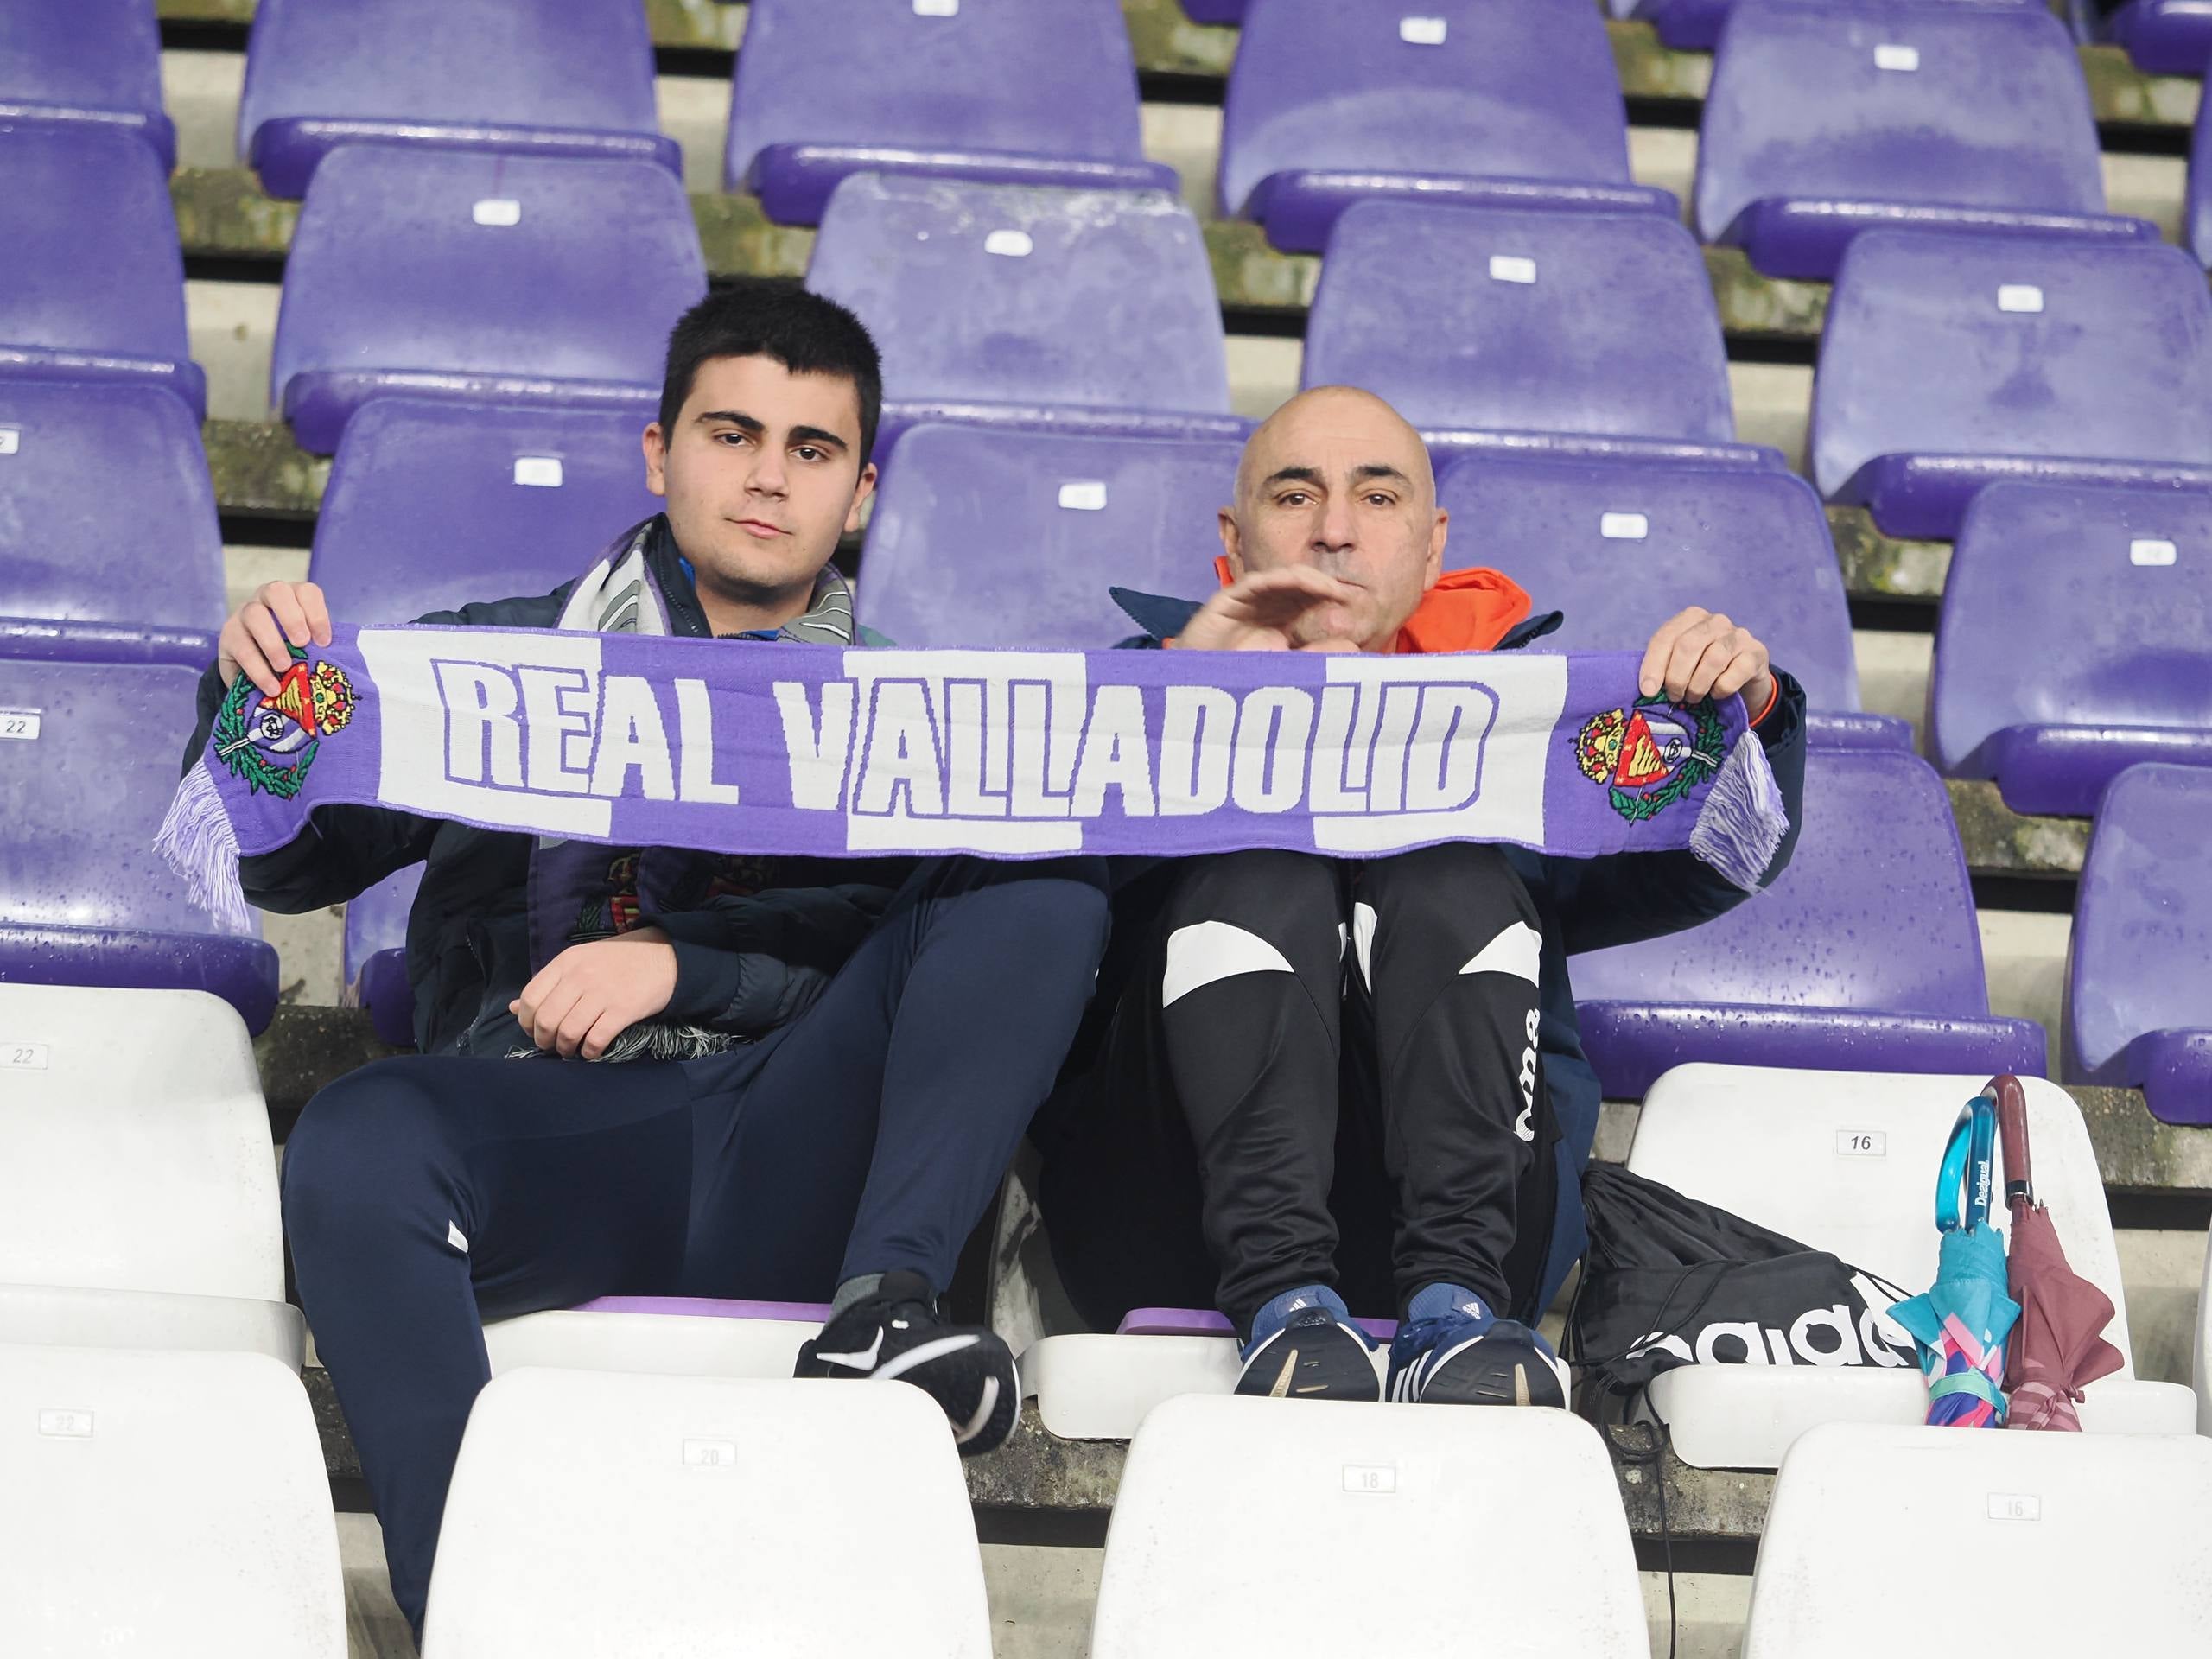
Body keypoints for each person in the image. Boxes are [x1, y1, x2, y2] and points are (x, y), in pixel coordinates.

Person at [199, 283, 1110, 1634]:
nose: (766, 476)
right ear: (658, 453)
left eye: (811, 450)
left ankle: (885, 1311)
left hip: (807, 1139)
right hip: (550, 1131)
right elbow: (276, 857)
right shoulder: (502, 664)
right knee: (357, 1132)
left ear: (858, 491)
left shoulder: (921, 722)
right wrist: (257, 701)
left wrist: (679, 968)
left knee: (1045, 868)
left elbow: (931, 966)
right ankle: (482, 1614)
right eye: (732, 432)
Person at [1037, 385, 1807, 1408]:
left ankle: (1453, 1307)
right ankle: (1283, 1298)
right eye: (1295, 495)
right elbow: (1018, 926)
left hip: (1482, 1243)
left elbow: (1716, 858)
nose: (1336, 533)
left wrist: (1744, 714)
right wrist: (1189, 709)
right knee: (1262, 864)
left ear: (1433, 543)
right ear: (1234, 539)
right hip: (1175, 1224)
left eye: (1379, 497)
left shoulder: (1531, 731)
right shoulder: (1122, 702)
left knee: (1445, 863)